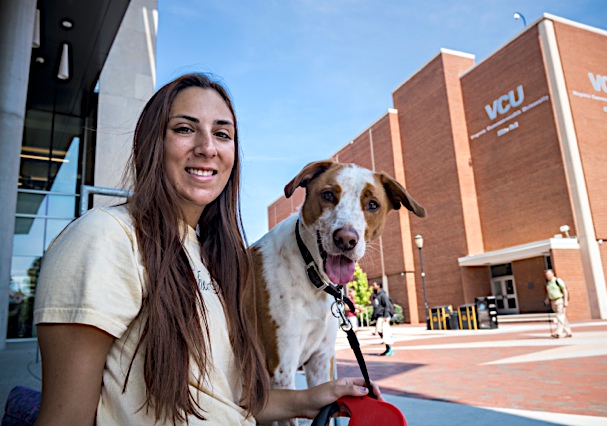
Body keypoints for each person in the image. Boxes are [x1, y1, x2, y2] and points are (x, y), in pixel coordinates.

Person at [33, 73, 380, 425]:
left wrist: (311, 398)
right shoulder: (105, 237)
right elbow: (65, 418)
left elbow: (224, 402)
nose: (207, 147)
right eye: (185, 129)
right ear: (152, 141)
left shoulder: (208, 256)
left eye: (222, 134)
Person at [544, 269, 573, 339]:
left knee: (559, 316)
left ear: (553, 274)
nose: (548, 276)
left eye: (549, 274)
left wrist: (565, 301)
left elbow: (564, 290)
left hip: (559, 300)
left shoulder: (557, 281)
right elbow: (549, 292)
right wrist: (547, 299)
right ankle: (569, 332)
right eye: (546, 275)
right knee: (562, 317)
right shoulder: (548, 283)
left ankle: (558, 333)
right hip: (553, 301)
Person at [370, 281, 394, 356]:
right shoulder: (375, 296)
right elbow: (376, 308)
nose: (373, 287)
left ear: (379, 286)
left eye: (374, 285)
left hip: (383, 316)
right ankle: (387, 346)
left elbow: (386, 305)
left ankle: (389, 347)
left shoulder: (383, 295)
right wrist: (373, 317)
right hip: (379, 316)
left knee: (381, 330)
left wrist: (386, 316)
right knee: (380, 331)